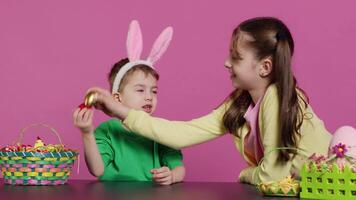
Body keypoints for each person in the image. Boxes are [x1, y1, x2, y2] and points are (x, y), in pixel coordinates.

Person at [86, 17, 332, 185]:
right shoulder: (240, 103)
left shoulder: (277, 98)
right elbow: (181, 133)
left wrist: (247, 174)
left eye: (235, 57)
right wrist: (121, 111)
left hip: (332, 184)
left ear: (265, 67)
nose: (227, 62)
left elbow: (272, 175)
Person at [73, 20, 185, 185]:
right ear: (117, 99)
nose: (149, 97)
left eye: (154, 91)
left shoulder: (160, 129)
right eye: (140, 90)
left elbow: (179, 168)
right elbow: (97, 170)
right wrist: (87, 133)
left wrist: (172, 176)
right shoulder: (107, 130)